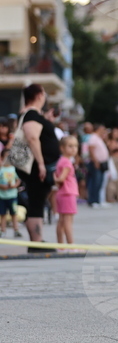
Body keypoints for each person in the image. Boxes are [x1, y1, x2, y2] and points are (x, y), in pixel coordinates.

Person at [18, 85, 60, 250]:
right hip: (35, 167)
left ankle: (36, 240)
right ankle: (36, 242)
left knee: (37, 201)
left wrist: (46, 119)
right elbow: (32, 137)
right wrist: (41, 164)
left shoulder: (34, 115)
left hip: (36, 167)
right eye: (43, 92)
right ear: (38, 95)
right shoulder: (31, 114)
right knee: (36, 202)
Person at [53, 135, 79, 246]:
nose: (74, 149)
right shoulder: (67, 162)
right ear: (62, 148)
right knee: (68, 221)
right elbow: (61, 179)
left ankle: (61, 245)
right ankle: (70, 245)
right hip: (68, 193)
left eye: (75, 146)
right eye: (70, 146)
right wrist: (56, 179)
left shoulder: (61, 161)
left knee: (61, 221)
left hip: (61, 193)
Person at [0, 148, 23, 237]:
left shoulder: (13, 169)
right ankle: (3, 230)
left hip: (12, 195)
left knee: (14, 213)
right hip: (2, 196)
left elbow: (18, 180)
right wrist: (2, 186)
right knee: (3, 214)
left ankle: (16, 229)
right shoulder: (1, 170)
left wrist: (14, 185)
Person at [86, 125, 109, 208]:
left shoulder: (99, 138)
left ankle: (98, 200)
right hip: (96, 163)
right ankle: (93, 200)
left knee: (99, 182)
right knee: (95, 182)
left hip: (102, 163)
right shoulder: (93, 138)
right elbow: (91, 150)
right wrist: (95, 161)